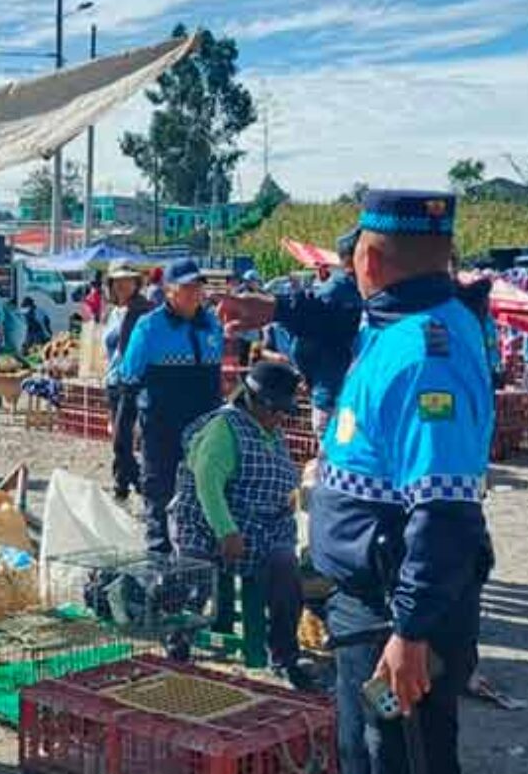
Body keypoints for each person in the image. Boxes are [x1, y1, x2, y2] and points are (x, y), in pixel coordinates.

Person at [293, 190, 491, 774]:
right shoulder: (392, 326)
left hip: (396, 618)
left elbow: (443, 511)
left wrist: (411, 630)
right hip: (360, 609)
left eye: (353, 259)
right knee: (369, 769)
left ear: (369, 261)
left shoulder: (426, 350)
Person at [166, 360, 318, 692]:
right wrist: (226, 530)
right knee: (195, 571)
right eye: (276, 410)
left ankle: (284, 655)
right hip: (207, 521)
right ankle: (178, 634)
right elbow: (208, 483)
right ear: (255, 401)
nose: (281, 418)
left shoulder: (271, 430)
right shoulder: (225, 428)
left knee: (285, 567)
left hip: (263, 526)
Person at [116, 259, 226, 554]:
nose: (194, 293)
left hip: (205, 431)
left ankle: (202, 573)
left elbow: (217, 378)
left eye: (197, 286)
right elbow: (128, 382)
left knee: (207, 496)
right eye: (186, 287)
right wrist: (122, 447)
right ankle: (160, 575)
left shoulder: (212, 324)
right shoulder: (149, 327)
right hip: (162, 430)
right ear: (168, 291)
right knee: (160, 498)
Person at [220, 232, 365, 439]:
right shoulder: (337, 294)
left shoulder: (352, 293)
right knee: (343, 459)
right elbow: (300, 344)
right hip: (336, 402)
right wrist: (307, 375)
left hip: (342, 398)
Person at [101, 263, 153, 501]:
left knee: (123, 437)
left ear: (136, 283)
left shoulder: (144, 310)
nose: (122, 285)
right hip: (113, 380)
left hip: (133, 381)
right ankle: (122, 483)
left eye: (127, 280)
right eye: (117, 281)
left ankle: (138, 481)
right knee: (118, 437)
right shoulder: (114, 313)